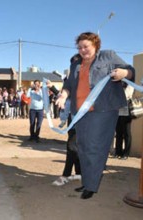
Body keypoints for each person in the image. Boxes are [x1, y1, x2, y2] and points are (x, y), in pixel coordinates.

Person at [56, 32, 135, 199]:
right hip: (80, 112)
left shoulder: (108, 56)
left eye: (86, 46)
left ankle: (91, 186)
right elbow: (69, 84)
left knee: (95, 147)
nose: (83, 50)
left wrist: (123, 73)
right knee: (82, 147)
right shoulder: (76, 63)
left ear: (95, 45)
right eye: (80, 47)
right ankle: (87, 181)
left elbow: (130, 70)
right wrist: (63, 96)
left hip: (103, 110)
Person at [114, 83, 134, 160]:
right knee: (118, 132)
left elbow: (125, 95)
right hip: (118, 111)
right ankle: (118, 152)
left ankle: (126, 153)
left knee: (126, 133)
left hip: (126, 112)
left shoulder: (130, 84)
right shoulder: (119, 84)